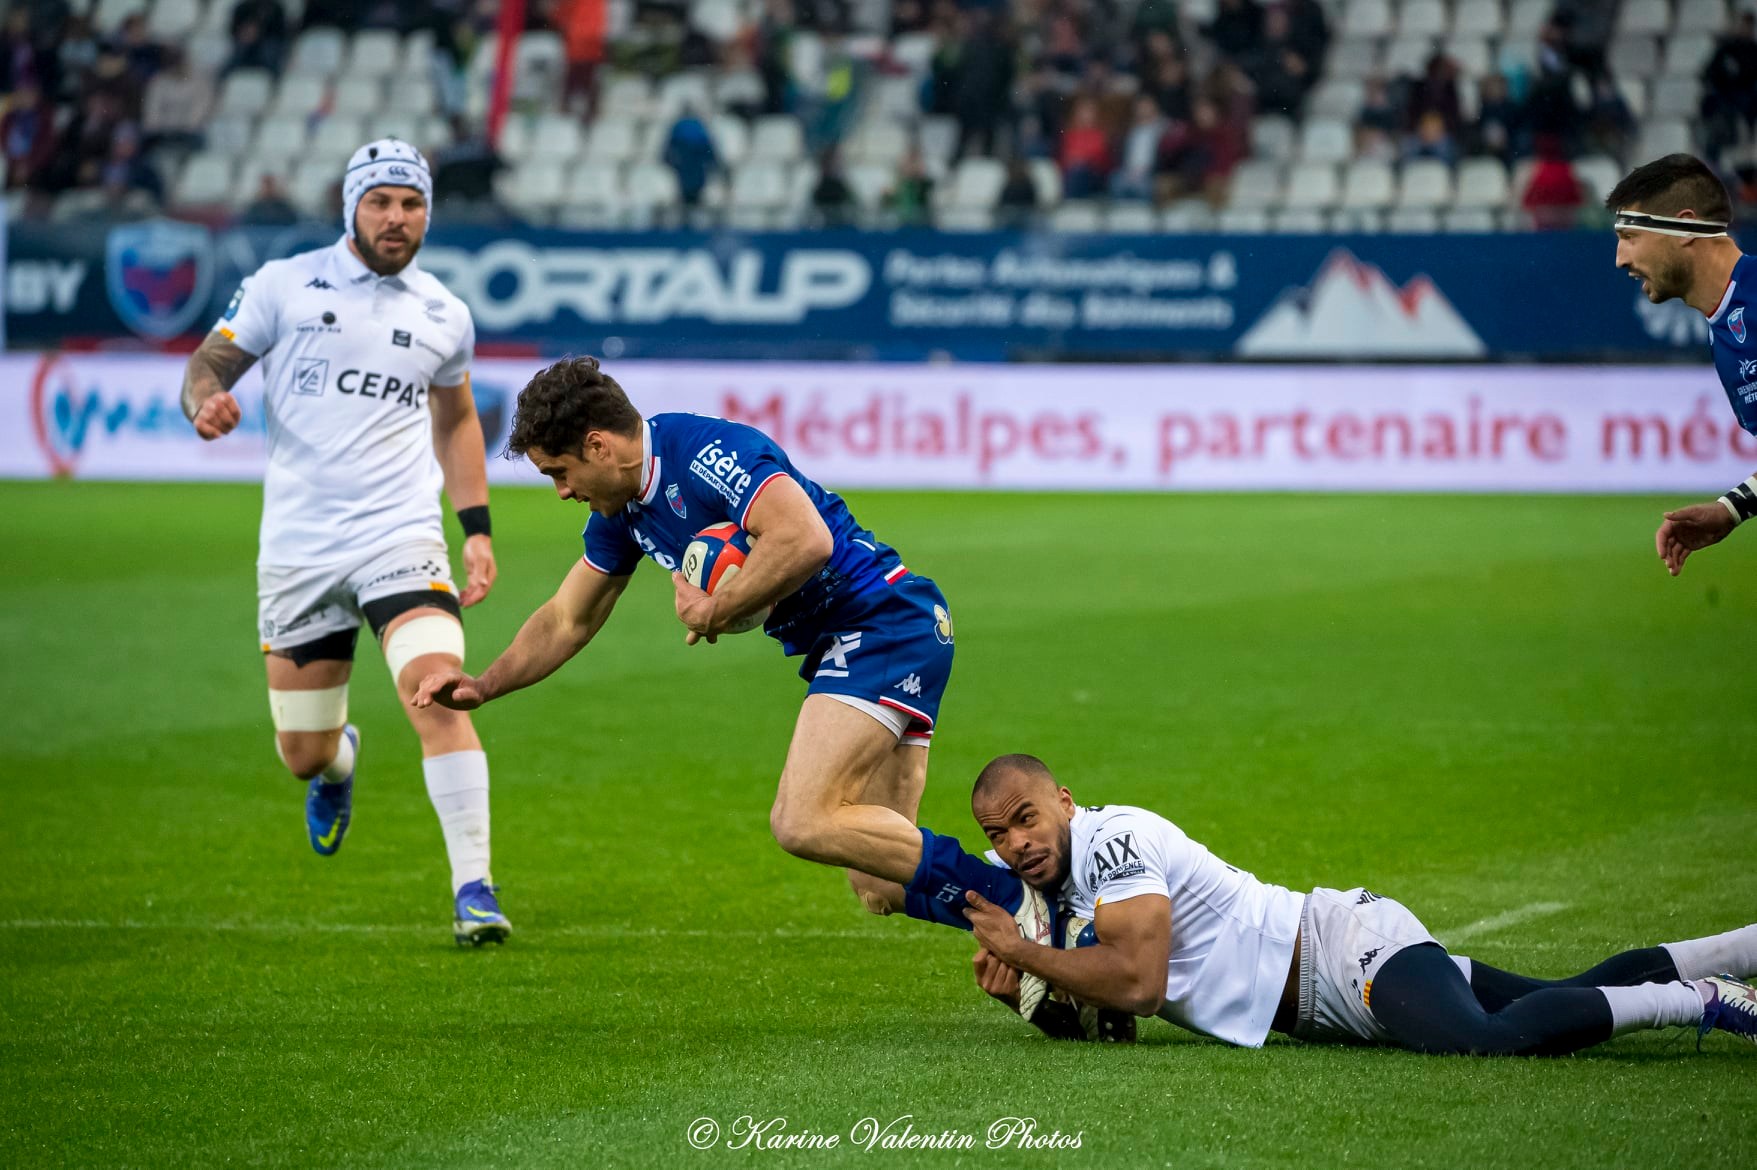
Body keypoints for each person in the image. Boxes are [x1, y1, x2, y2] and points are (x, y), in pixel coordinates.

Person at [410, 359, 957, 917]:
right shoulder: (621, 511)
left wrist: (714, 611)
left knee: (801, 821)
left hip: (882, 623)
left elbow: (804, 538)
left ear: (598, 446)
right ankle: (1031, 895)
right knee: (881, 887)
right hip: (864, 639)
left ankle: (1010, 896)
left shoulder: (706, 453)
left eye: (560, 471)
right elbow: (566, 620)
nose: (562, 491)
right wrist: (483, 685)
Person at [178, 138, 511, 946]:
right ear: (351, 206)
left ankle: (476, 888)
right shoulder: (283, 283)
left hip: (400, 531)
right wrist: (205, 401)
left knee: (437, 688)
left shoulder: (443, 313)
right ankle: (339, 763)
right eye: (381, 202)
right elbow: (207, 364)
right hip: (298, 547)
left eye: (412, 203)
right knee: (302, 752)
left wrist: (476, 530)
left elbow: (457, 417)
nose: (397, 218)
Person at [938, 754, 1757, 1053]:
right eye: (998, 834)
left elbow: (1141, 987)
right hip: (1326, 993)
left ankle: (1700, 1003)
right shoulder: (1062, 881)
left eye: (1026, 818)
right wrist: (1035, 998)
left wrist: (1025, 954)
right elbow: (1112, 1017)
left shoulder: (1112, 840)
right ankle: (1737, 950)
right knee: (1556, 995)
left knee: (1483, 1043)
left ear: (1065, 802)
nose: (1016, 842)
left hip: (1340, 950)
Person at [1605, 154, 1757, 575]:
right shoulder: (1724, 330)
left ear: (1685, 227)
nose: (1619, 259)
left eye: (1630, 235)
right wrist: (1732, 509)